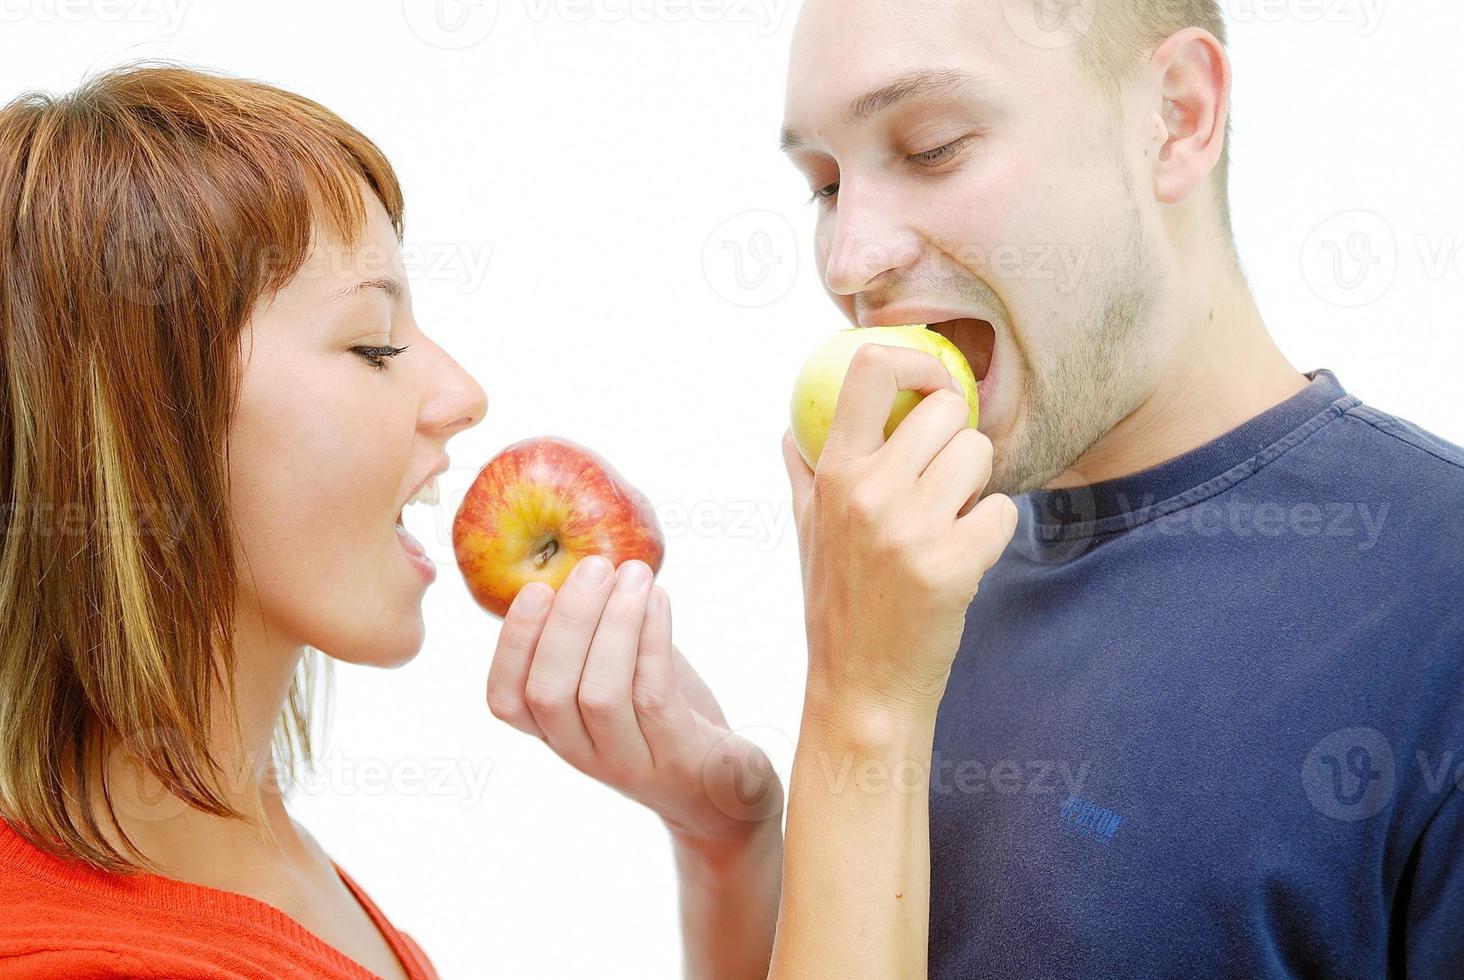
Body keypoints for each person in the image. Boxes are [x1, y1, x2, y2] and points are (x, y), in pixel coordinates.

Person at [0, 62, 1018, 979]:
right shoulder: (88, 958)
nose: (463, 391)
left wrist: (724, 835)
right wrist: (865, 697)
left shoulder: (251, 856)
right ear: (138, 429)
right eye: (370, 342)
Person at [777, 0, 1464, 976]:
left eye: (931, 148)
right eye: (825, 184)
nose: (850, 259)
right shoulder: (909, 582)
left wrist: (859, 703)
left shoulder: (1438, 601)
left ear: (1176, 116)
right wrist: (725, 830)